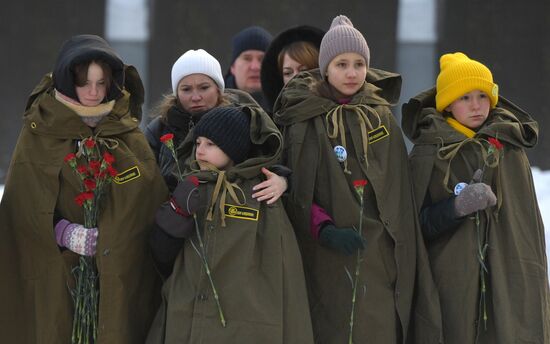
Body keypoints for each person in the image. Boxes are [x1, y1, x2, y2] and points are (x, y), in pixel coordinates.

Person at [273, 15, 439, 343]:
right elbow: (298, 186)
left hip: (379, 255)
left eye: (359, 63)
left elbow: (397, 190)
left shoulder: (380, 118)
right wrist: (323, 227)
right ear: (325, 68)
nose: (352, 73)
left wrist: (396, 247)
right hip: (323, 253)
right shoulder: (303, 119)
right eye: (342, 64)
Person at [0, 34, 168, 342]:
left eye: (101, 83)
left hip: (119, 272)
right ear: (67, 81)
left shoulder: (125, 129)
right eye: (84, 83)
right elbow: (21, 206)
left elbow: (147, 197)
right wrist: (63, 232)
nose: (93, 93)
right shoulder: (41, 130)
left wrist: (117, 232)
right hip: (59, 271)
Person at [402, 52, 550, 343]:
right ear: (447, 105)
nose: (476, 105)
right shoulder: (428, 153)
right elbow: (415, 226)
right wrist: (456, 207)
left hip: (508, 279)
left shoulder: (509, 148)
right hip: (449, 283)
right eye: (465, 98)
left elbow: (526, 228)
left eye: (482, 96)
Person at [146, 106, 314, 343]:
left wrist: (283, 180)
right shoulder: (189, 183)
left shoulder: (261, 191)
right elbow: (162, 256)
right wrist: (177, 210)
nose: (200, 151)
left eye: (211, 144)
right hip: (190, 313)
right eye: (198, 143)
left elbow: (284, 267)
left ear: (234, 148)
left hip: (246, 320)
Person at [145, 48, 288, 201]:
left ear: (219, 90)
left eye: (204, 87)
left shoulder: (240, 122)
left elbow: (270, 160)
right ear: (176, 93)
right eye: (186, 89)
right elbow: (144, 183)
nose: (196, 97)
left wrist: (282, 181)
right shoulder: (158, 129)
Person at [261, 25, 324, 112]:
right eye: (287, 73)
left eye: (303, 71)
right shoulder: (271, 123)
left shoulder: (338, 117)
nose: (295, 78)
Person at [224, 25, 272, 111]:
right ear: (233, 67)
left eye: (262, 59)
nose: (255, 67)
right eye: (247, 58)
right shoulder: (212, 103)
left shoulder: (285, 107)